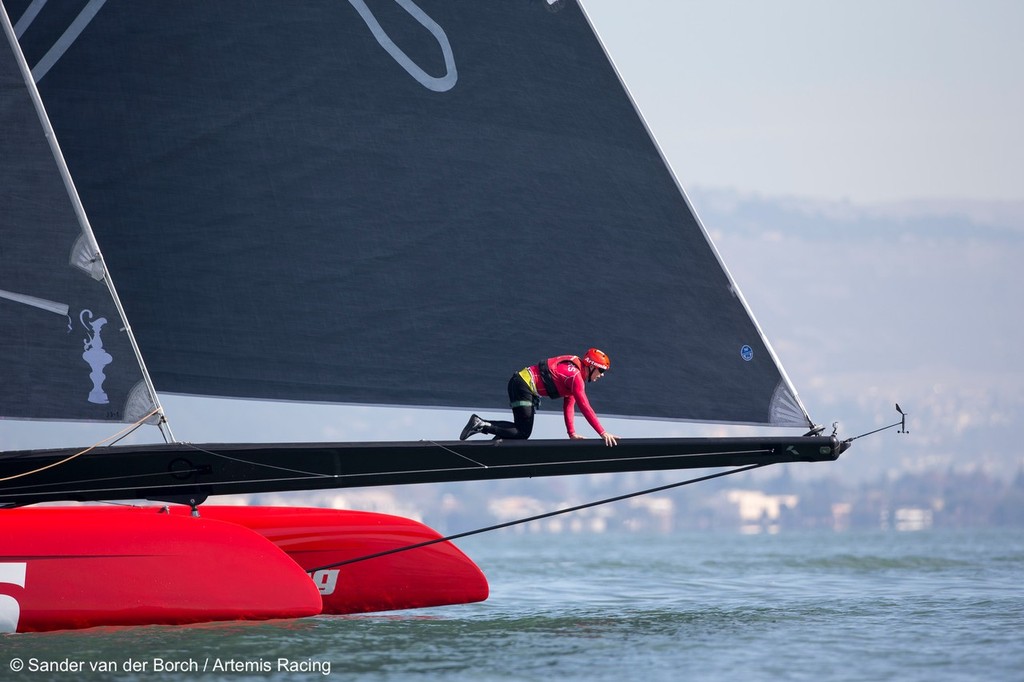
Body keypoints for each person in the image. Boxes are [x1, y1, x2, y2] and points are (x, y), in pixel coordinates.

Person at [459, 348, 619, 446]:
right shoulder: (575, 376)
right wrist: (603, 433)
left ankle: (492, 434)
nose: (602, 375)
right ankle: (481, 425)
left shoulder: (574, 374)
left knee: (520, 430)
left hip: (519, 383)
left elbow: (569, 404)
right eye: (601, 371)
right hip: (522, 385)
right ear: (591, 366)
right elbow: (585, 406)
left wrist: (571, 433)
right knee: (523, 432)